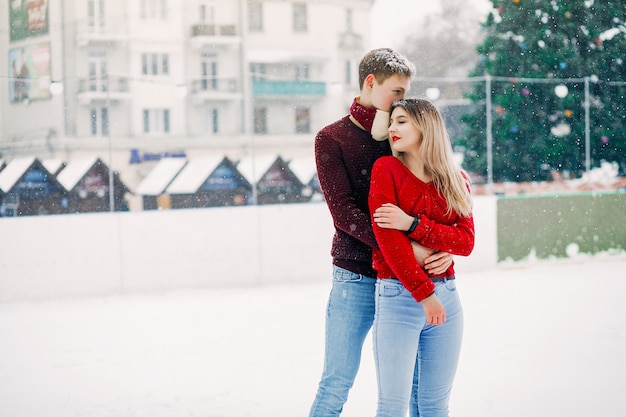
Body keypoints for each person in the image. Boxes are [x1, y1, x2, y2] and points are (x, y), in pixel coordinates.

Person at [309, 48, 453, 417]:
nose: (402, 102)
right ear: (370, 83)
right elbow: (343, 212)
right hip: (356, 274)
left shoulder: (401, 132)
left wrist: (438, 243)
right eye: (397, 92)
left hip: (404, 280)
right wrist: (405, 248)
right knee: (336, 381)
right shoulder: (332, 138)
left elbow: (433, 192)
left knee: (416, 388)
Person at [368, 98, 475, 417]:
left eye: (401, 121)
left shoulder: (457, 179)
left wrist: (412, 225)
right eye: (391, 122)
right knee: (393, 406)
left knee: (434, 405)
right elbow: (389, 242)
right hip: (399, 296)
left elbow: (466, 242)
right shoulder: (385, 169)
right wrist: (425, 295)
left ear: (425, 126)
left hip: (447, 296)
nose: (392, 128)